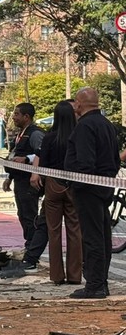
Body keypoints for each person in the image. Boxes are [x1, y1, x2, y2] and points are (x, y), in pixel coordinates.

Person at [64, 87, 119, 299]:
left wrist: (77, 183)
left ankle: (95, 285)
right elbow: (114, 159)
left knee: (92, 237)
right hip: (104, 186)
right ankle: (100, 282)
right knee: (103, 236)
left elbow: (85, 162)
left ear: (79, 104)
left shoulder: (85, 127)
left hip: (88, 189)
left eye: (76, 103)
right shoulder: (106, 124)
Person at [29, 100, 81, 285]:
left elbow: (43, 164)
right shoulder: (78, 136)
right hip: (74, 186)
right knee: (75, 230)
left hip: (53, 186)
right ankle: (75, 275)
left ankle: (57, 275)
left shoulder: (50, 137)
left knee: (54, 231)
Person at [2, 103, 45, 249]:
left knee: (29, 215)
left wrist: (27, 159)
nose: (13, 117)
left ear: (26, 117)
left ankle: (33, 247)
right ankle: (29, 244)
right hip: (19, 180)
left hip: (29, 182)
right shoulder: (19, 135)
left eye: (16, 114)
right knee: (22, 214)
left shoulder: (35, 134)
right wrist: (9, 177)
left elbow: (43, 154)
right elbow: (15, 156)